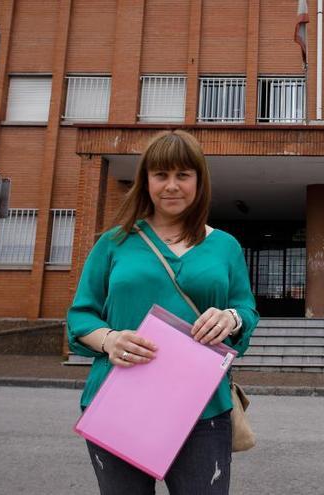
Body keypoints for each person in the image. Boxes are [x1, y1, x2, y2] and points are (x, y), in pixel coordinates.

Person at [67, 130, 259, 495]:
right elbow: (80, 317)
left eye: (183, 175)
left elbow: (246, 309)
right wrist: (109, 339)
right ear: (146, 182)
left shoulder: (225, 246)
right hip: (120, 402)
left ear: (199, 182)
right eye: (161, 175)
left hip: (203, 408)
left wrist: (231, 317)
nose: (172, 186)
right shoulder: (115, 243)